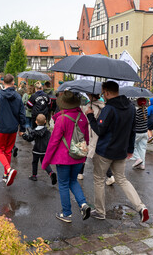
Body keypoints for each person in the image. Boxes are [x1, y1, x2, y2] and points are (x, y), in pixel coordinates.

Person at [85, 81, 149, 222]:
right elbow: (133, 130)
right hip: (121, 151)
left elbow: (100, 130)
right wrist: (130, 149)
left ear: (107, 92)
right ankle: (140, 207)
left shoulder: (109, 109)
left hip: (105, 151)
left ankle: (100, 212)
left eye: (103, 93)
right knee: (122, 179)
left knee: (99, 180)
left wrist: (90, 116)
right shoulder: (131, 107)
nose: (103, 96)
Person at [42, 91, 91, 222]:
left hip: (64, 158)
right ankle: (83, 204)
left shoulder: (62, 119)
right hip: (79, 155)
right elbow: (86, 139)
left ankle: (67, 213)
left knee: (63, 184)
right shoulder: (82, 117)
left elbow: (53, 142)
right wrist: (84, 157)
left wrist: (45, 162)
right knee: (73, 181)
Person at [0, 74, 26, 187]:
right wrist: (22, 128)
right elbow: (22, 114)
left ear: (3, 82)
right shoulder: (18, 96)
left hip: (2, 128)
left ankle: (8, 170)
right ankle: (5, 175)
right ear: (13, 82)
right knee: (8, 151)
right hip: (13, 128)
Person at [22, 113, 57, 184]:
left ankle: (34, 175)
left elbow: (29, 139)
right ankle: (51, 173)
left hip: (36, 150)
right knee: (45, 163)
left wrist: (24, 135)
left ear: (36, 122)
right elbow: (50, 140)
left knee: (35, 162)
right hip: (45, 150)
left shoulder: (34, 131)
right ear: (45, 121)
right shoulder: (47, 131)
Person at [79, 93, 105, 180]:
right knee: (99, 153)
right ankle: (110, 175)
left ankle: (80, 173)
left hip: (90, 131)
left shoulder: (89, 105)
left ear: (90, 95)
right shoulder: (103, 105)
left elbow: (85, 119)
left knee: (85, 151)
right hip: (100, 131)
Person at [131, 98, 149, 170]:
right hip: (145, 132)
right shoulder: (146, 111)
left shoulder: (137, 112)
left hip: (138, 132)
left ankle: (138, 159)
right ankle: (142, 165)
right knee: (142, 149)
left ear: (138, 104)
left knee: (132, 146)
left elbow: (135, 122)